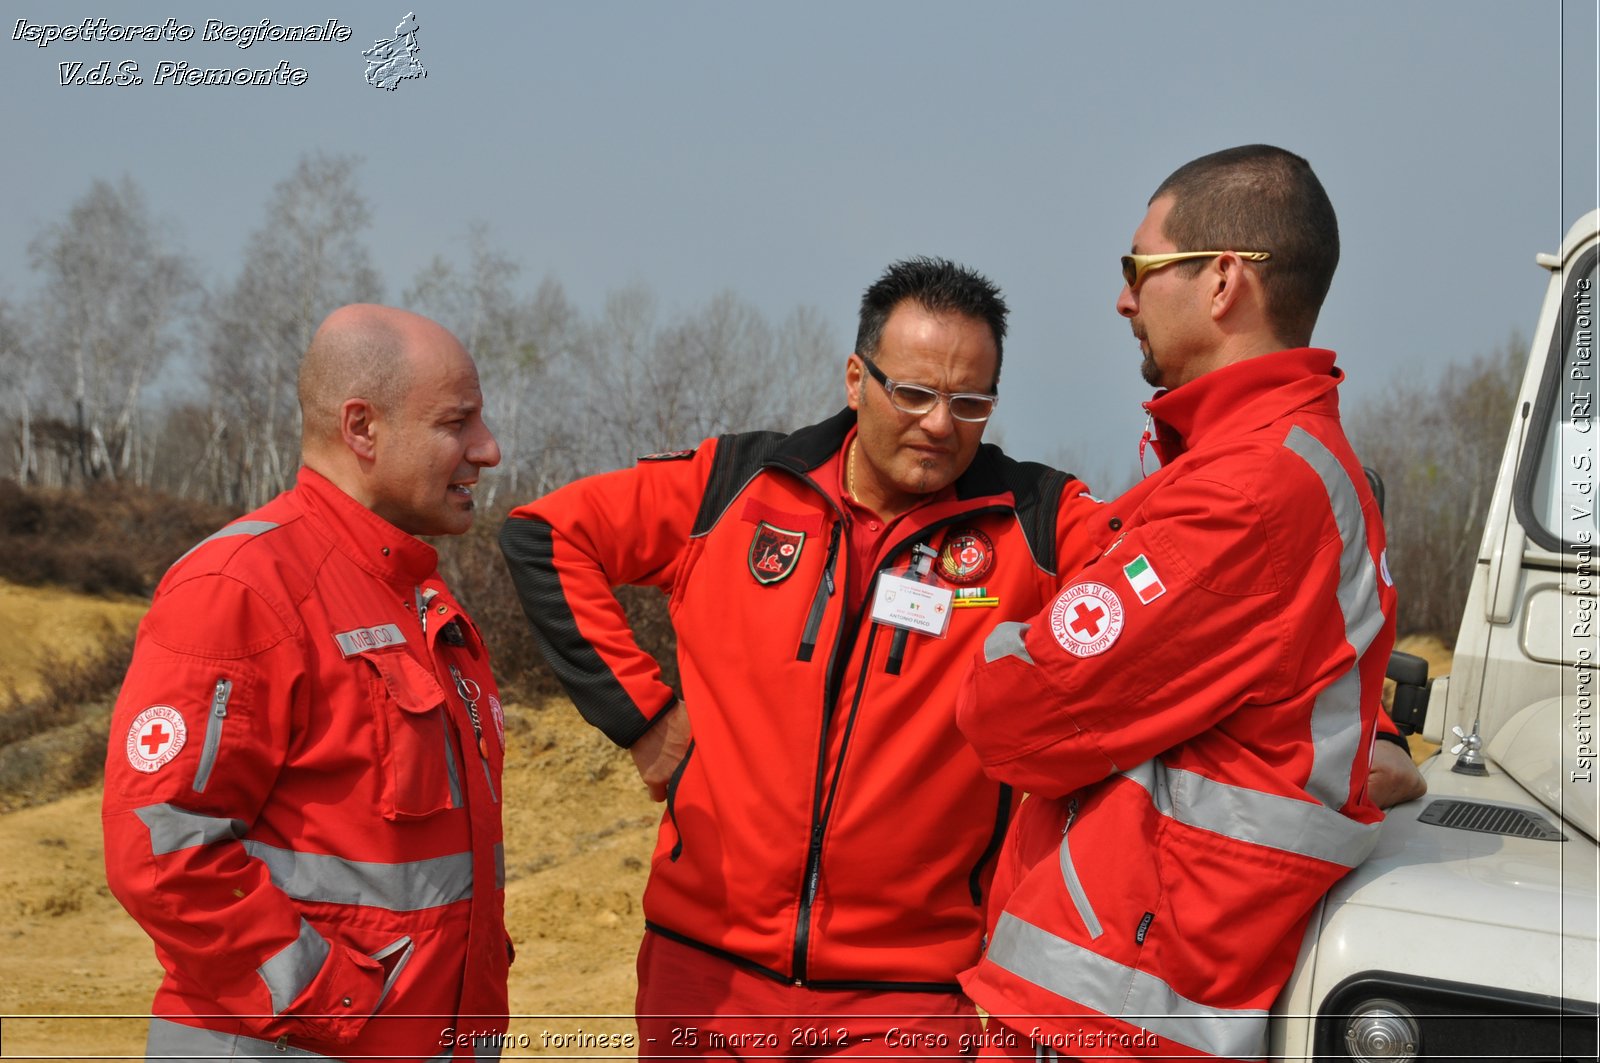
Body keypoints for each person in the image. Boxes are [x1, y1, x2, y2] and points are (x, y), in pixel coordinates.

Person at [499, 258, 1105, 1055]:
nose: (939, 423)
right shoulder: (739, 485)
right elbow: (546, 535)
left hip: (907, 996)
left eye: (970, 402)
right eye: (914, 393)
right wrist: (645, 717)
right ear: (856, 378)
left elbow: (1170, 584)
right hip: (703, 971)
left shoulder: (1037, 521)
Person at [956, 145, 1425, 1061]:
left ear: (1220, 282)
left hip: (1117, 1007)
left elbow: (1013, 712)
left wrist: (1000, 639)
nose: (1123, 300)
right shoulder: (1265, 464)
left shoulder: (1244, 492)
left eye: (1138, 269)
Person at [103, 305, 510, 1060]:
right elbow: (163, 852)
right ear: (363, 428)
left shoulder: (422, 602)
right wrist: (341, 1001)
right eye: (459, 422)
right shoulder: (241, 588)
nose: (487, 449)